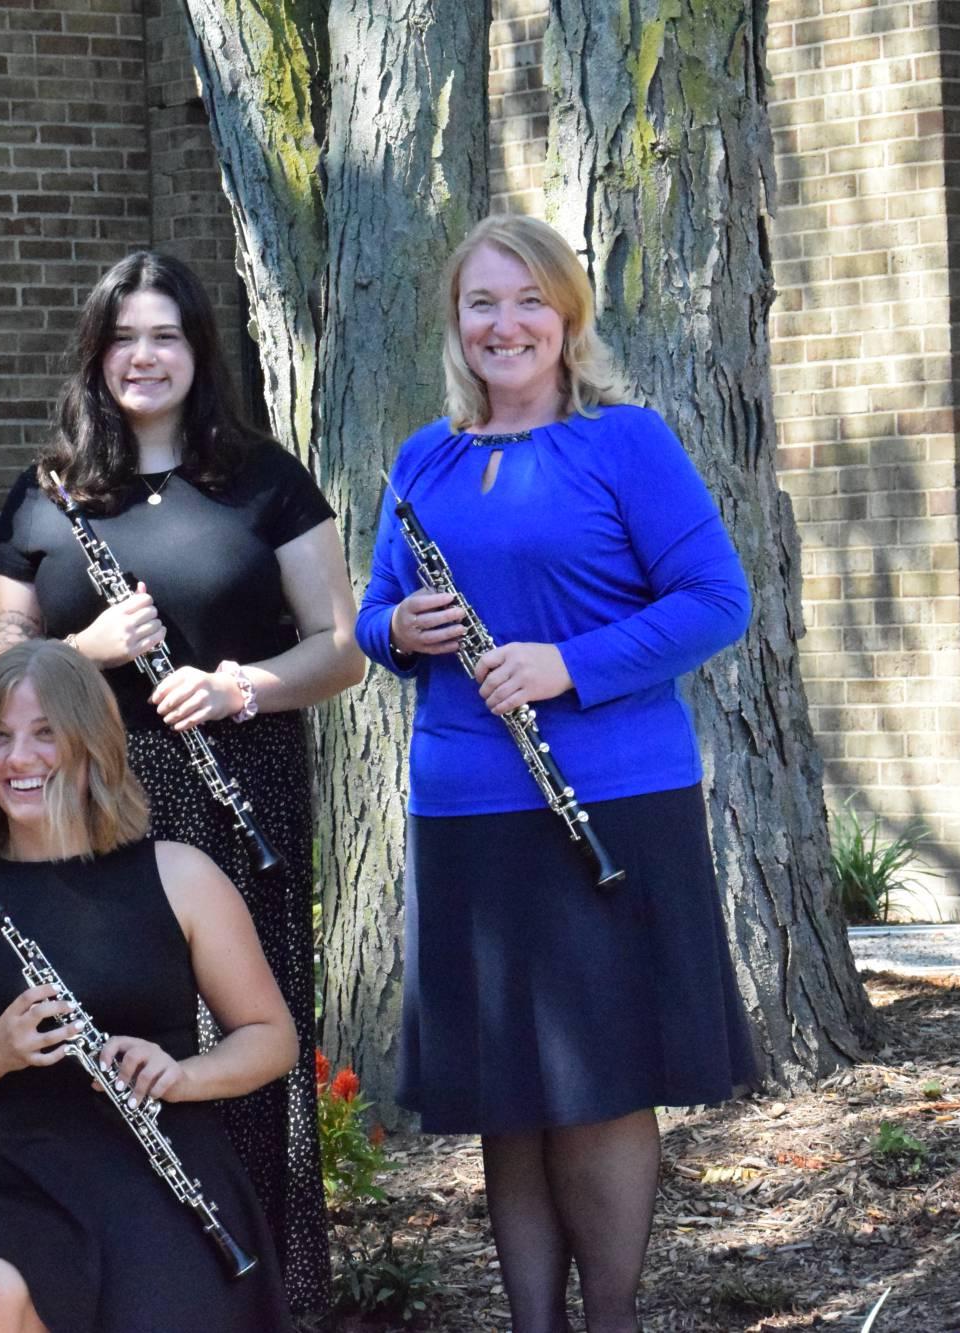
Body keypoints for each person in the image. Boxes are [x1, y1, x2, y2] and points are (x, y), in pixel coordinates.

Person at [357, 214, 757, 1333]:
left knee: (597, 1081)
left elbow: (715, 602)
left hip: (609, 801)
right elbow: (368, 619)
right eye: (481, 303)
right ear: (454, 323)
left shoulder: (621, 443)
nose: (504, 323)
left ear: (566, 313)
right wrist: (402, 627)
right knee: (509, 1090)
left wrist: (564, 665)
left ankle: (610, 1320)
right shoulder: (422, 457)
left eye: (527, 299)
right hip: (462, 805)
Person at [0, 250, 362, 1312]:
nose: (142, 356)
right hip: (85, 801)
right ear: (94, 354)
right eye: (122, 336)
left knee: (241, 1042)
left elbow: (338, 647)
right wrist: (88, 650)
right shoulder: (45, 492)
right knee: (117, 1035)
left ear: (197, 351)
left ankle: (262, 1291)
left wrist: (241, 684)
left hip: (236, 784)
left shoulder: (264, 479)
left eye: (165, 336)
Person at [0, 640, 297, 1332]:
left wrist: (180, 1075)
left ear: (93, 744)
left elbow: (271, 1036)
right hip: (15, 1180)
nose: (20, 759)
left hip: (163, 1172)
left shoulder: (179, 872)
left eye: (47, 733)